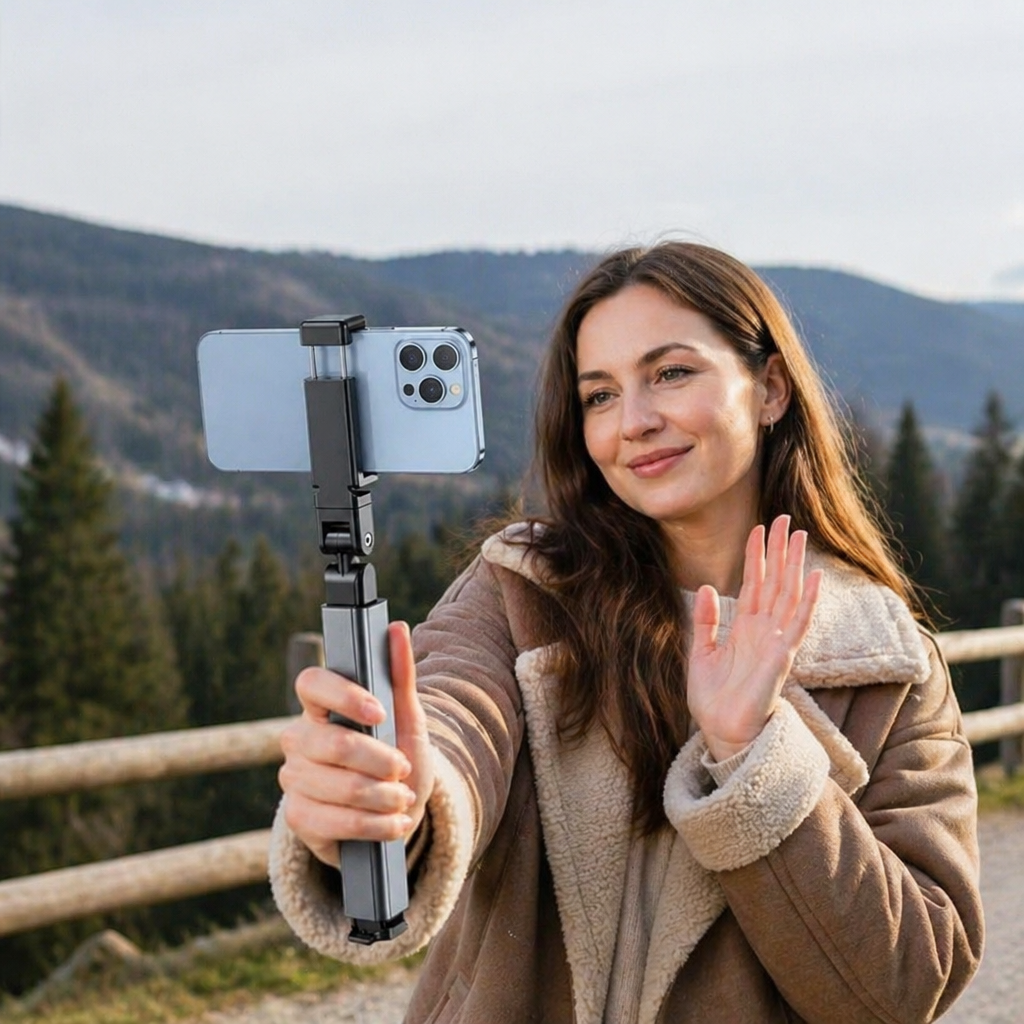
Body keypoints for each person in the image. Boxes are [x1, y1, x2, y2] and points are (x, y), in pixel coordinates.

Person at [269, 242, 984, 1023]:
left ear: (770, 388)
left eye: (671, 373)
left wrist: (755, 755)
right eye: (600, 396)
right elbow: (455, 710)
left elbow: (908, 984)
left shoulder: (886, 664)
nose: (635, 422)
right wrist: (398, 794)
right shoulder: (523, 588)